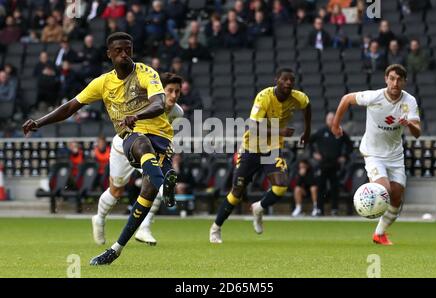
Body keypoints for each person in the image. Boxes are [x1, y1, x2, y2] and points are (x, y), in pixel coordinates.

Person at [22, 32, 178, 265]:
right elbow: (70, 107)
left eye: (128, 49)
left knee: (146, 196)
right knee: (139, 145)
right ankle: (166, 187)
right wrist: (39, 122)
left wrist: (137, 114)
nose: (124, 54)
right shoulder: (102, 83)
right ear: (109, 54)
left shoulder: (147, 73)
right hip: (132, 136)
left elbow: (158, 103)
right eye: (118, 50)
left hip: (162, 138)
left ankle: (115, 250)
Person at [209, 68, 312, 244]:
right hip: (251, 148)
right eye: (284, 79)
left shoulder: (298, 97)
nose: (288, 83)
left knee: (281, 186)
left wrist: (307, 131)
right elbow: (253, 127)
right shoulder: (263, 97)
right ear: (277, 81)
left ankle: (259, 207)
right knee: (236, 193)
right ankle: (216, 228)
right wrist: (281, 131)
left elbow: (307, 106)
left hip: (271, 149)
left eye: (291, 80)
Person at [331, 64, 421, 245]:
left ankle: (379, 234)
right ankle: (367, 199)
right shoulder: (374, 96)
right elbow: (347, 99)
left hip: (395, 156)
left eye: (399, 79)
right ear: (386, 79)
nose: (395, 83)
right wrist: (335, 124)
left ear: (404, 82)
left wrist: (409, 124)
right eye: (392, 78)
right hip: (373, 153)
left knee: (396, 197)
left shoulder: (409, 101)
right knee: (384, 190)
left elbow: (417, 132)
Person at [91, 72, 184, 246]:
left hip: (148, 148)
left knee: (156, 180)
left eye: (177, 92)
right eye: (170, 90)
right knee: (116, 191)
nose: (173, 95)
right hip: (124, 144)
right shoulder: (146, 102)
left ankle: (145, 227)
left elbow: (166, 135)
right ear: (160, 90)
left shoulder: (178, 113)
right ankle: (99, 218)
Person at [309, 112, 353, 216]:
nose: (331, 121)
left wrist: (344, 156)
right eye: (329, 119)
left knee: (335, 188)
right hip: (323, 164)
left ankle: (334, 209)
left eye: (333, 119)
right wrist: (313, 154)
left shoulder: (340, 132)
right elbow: (309, 142)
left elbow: (350, 145)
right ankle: (319, 209)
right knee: (320, 187)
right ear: (326, 120)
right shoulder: (321, 132)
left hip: (335, 165)